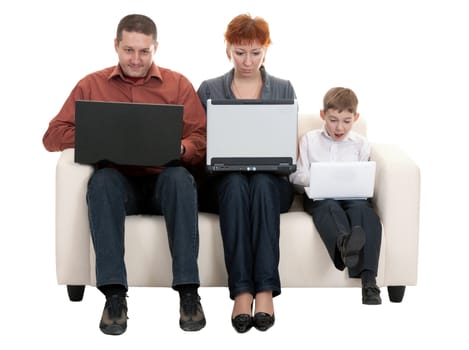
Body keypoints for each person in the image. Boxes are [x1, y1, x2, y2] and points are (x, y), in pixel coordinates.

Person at [42, 14, 207, 335]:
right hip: (117, 183)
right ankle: (114, 295)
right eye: (129, 50)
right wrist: (96, 135)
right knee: (101, 181)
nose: (135, 59)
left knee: (180, 180)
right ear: (116, 46)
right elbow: (52, 135)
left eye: (144, 52)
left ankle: (189, 292)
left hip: (164, 180)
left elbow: (202, 137)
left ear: (155, 48)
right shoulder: (92, 84)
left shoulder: (178, 85)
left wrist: (183, 147)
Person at [197, 14, 296, 333]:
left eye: (255, 53)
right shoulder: (210, 88)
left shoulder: (283, 88)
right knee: (237, 183)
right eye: (240, 52)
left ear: (266, 50)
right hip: (225, 184)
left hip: (272, 183)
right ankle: (241, 293)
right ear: (228, 49)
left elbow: (290, 146)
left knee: (264, 184)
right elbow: (199, 142)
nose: (248, 61)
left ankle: (265, 291)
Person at [289, 87, 382, 305]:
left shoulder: (360, 143)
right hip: (320, 196)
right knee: (329, 208)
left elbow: (363, 174)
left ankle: (369, 282)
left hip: (353, 197)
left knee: (364, 213)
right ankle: (343, 243)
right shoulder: (309, 140)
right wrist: (318, 178)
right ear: (323, 115)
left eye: (347, 121)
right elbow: (296, 175)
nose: (339, 127)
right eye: (332, 120)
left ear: (355, 118)